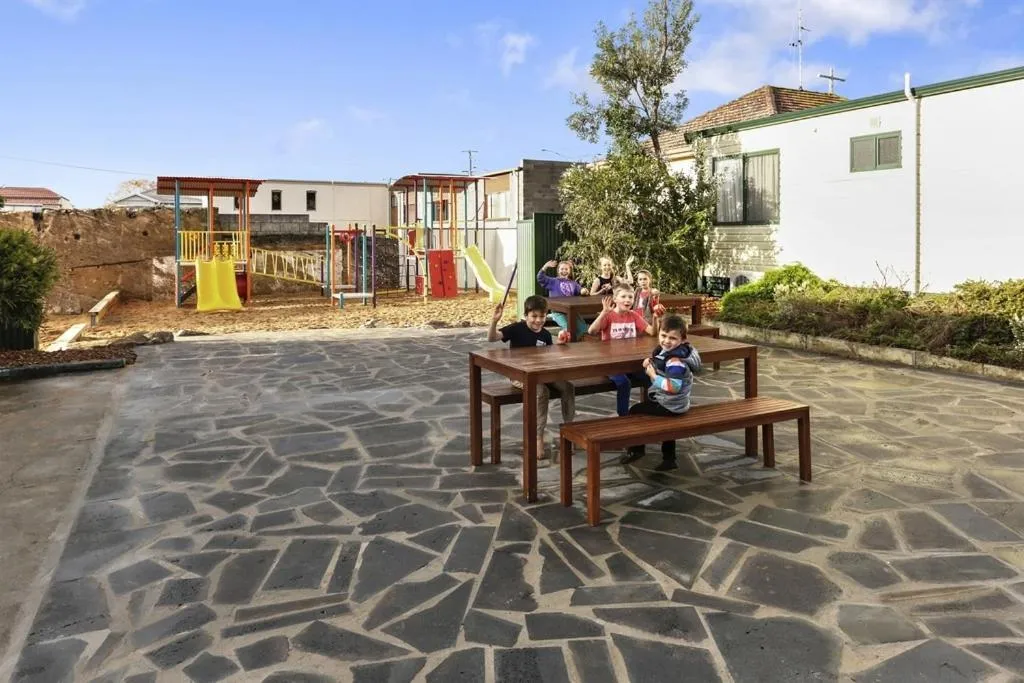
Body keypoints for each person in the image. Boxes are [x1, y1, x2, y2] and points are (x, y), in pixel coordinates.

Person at [488, 294, 576, 459]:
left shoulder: (545, 335)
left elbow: (550, 354)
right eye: (534, 316)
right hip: (519, 375)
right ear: (526, 315)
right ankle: (538, 438)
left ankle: (569, 433)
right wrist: (494, 321)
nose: (538, 320)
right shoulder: (516, 328)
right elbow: (491, 338)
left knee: (568, 387)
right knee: (541, 392)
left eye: (542, 316)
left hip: (542, 373)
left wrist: (561, 345)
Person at [620, 314, 702, 471]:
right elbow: (660, 358)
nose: (666, 341)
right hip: (676, 403)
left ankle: (637, 450)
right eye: (663, 336)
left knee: (635, 411)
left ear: (682, 340)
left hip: (671, 405)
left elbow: (673, 387)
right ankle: (669, 459)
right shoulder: (675, 351)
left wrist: (653, 376)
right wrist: (650, 361)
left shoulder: (675, 361)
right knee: (664, 422)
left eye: (672, 338)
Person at [587, 283, 660, 417]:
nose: (627, 300)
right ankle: (623, 416)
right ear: (615, 299)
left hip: (630, 362)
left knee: (650, 377)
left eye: (630, 297)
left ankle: (652, 409)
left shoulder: (633, 315)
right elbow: (591, 331)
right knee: (624, 383)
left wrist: (655, 318)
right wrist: (604, 312)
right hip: (612, 363)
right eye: (623, 297)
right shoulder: (608, 315)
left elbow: (653, 332)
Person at [537, 259, 589, 339]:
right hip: (558, 312)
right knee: (568, 328)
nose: (564, 271)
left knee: (583, 328)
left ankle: (577, 343)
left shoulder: (573, 283)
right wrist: (545, 267)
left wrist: (584, 290)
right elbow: (540, 278)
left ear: (570, 271)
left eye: (566, 269)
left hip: (571, 311)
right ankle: (569, 343)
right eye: (562, 269)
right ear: (558, 270)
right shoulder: (553, 281)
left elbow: (580, 290)